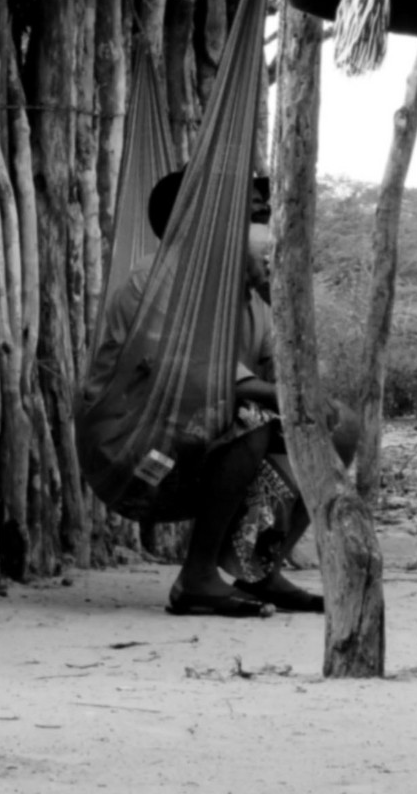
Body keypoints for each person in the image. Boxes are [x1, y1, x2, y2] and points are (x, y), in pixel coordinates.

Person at [107, 168, 357, 618]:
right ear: (206, 221)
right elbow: (196, 377)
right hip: (136, 448)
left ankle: (258, 569)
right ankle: (196, 578)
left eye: (265, 208)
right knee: (249, 418)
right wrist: (289, 396)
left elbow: (285, 376)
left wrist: (277, 300)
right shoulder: (159, 279)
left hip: (199, 436)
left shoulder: (247, 295)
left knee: (339, 427)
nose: (265, 214)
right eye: (252, 209)